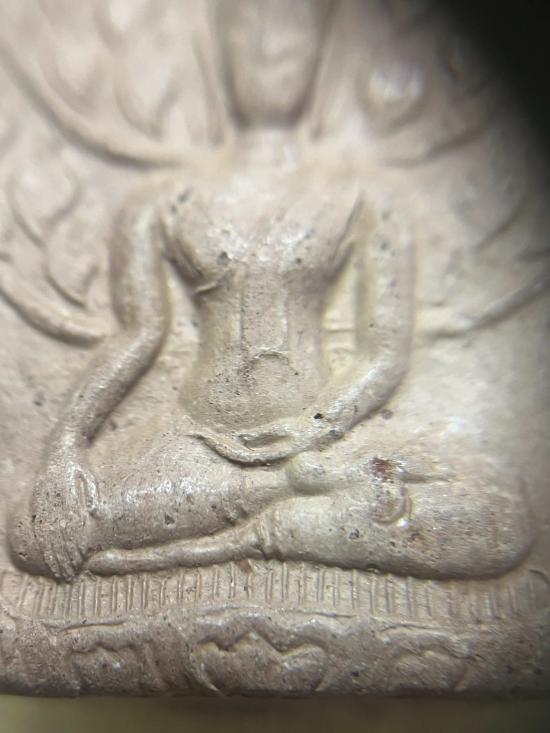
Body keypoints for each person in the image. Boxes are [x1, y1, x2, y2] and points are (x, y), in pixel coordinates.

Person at [9, 0, 534, 582]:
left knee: (501, 513)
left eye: (290, 32)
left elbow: (383, 351)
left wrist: (319, 424)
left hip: (326, 440)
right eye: (249, 32)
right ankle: (290, 504)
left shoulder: (365, 200)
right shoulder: (160, 203)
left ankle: (274, 512)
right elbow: (139, 334)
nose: (269, 50)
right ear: (220, 52)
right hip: (196, 444)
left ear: (320, 50)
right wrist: (66, 443)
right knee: (32, 533)